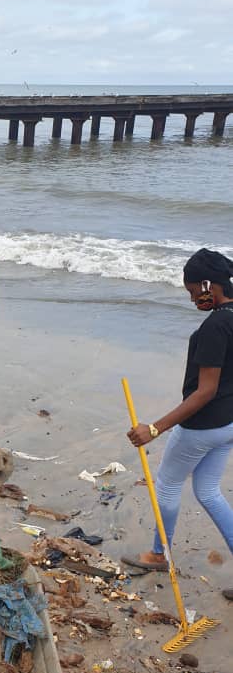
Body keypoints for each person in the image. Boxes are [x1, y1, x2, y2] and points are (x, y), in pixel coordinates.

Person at [126, 248, 233, 586]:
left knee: (168, 483)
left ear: (207, 284)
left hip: (203, 425)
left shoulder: (217, 325)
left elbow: (206, 391)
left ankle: (159, 554)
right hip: (228, 424)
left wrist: (155, 428)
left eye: (192, 292)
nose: (192, 300)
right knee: (208, 491)